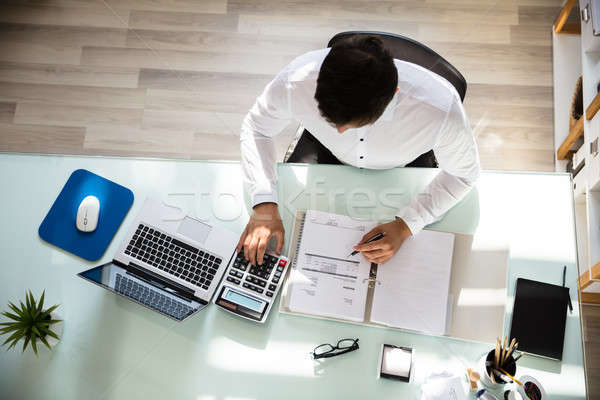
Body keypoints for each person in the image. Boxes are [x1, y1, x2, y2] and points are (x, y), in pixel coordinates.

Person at [238, 35, 480, 266]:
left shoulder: (440, 109)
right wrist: (264, 202)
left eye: (354, 123)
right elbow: (257, 128)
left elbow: (463, 175)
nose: (341, 132)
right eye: (330, 119)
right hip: (324, 155)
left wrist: (407, 224)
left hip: (407, 168)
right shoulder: (295, 80)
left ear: (392, 95)